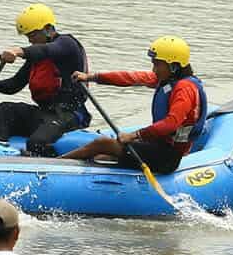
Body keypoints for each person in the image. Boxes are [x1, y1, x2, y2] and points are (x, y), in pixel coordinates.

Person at [61, 36, 206, 172]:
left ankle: (52, 164)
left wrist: (135, 135)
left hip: (167, 157)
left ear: (174, 66)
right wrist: (91, 77)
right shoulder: (168, 80)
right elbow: (130, 78)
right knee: (101, 157)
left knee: (102, 144)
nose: (153, 70)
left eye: (157, 65)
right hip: (156, 146)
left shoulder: (185, 89)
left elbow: (171, 124)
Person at [0, 4, 90, 157]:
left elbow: (47, 50)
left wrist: (19, 51)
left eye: (33, 35)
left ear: (48, 29)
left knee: (36, 143)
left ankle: (49, 160)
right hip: (45, 114)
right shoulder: (35, 56)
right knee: (5, 109)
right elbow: (15, 85)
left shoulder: (66, 44)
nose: (30, 40)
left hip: (70, 115)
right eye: (28, 37)